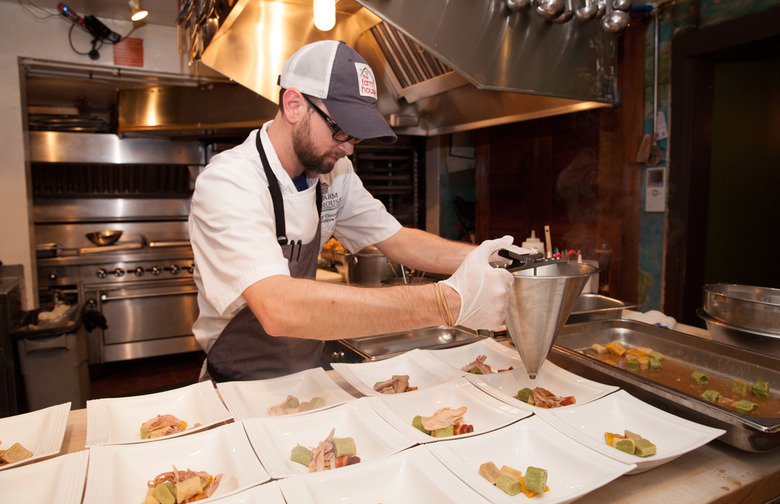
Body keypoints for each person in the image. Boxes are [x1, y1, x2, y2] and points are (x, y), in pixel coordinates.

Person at [189, 40, 521, 382]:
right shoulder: (229, 182)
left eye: (356, 136)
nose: (348, 148)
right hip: (236, 384)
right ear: (293, 105)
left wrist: (493, 258)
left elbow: (399, 241)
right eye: (340, 128)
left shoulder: (335, 173)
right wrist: (448, 302)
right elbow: (278, 307)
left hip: (304, 375)